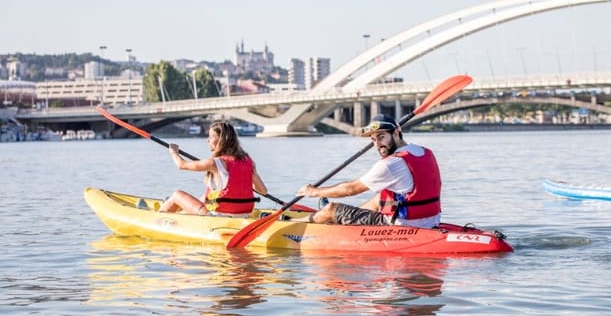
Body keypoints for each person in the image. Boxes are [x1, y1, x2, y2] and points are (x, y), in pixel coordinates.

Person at [296, 114, 442, 227]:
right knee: (381, 198)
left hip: (402, 224)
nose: (378, 144)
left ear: (396, 132)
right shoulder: (424, 151)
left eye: (381, 137)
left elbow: (350, 189)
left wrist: (314, 192)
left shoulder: (390, 164)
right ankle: (347, 221)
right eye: (373, 139)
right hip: (431, 221)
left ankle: (299, 223)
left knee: (331, 208)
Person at [159, 121, 268, 214]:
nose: (208, 140)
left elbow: (181, 165)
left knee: (177, 195)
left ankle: (156, 219)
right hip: (243, 213)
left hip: (218, 215)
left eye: (211, 136)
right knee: (206, 195)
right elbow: (263, 191)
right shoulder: (248, 162)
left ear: (221, 139)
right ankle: (183, 214)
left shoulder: (214, 163)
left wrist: (173, 152)